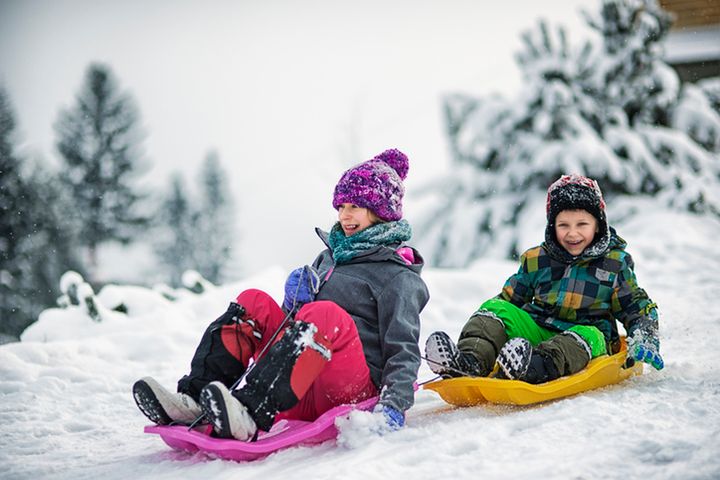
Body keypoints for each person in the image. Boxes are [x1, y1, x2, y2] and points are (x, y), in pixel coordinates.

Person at [133, 149, 429, 440]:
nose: (344, 215)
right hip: (299, 385)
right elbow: (298, 323)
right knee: (253, 301)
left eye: (354, 206)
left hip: (350, 389)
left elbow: (402, 350)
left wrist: (394, 406)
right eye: (340, 207)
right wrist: (294, 303)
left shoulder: (397, 276)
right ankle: (195, 399)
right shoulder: (329, 257)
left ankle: (252, 412)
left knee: (326, 313)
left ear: (380, 212)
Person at [425, 174, 664, 384]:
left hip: (588, 340)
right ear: (552, 226)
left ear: (598, 225)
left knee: (585, 335)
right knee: (495, 308)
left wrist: (645, 336)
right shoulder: (537, 259)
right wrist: (493, 325)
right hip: (539, 330)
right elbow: (510, 301)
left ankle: (530, 368)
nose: (572, 233)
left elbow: (637, 307)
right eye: (564, 225)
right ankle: (469, 362)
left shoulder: (614, 263)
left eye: (582, 224)